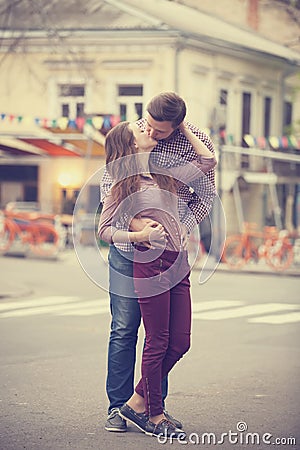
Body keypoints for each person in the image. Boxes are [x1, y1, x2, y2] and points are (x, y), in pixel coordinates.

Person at [100, 92, 217, 433]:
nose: (149, 132)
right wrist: (137, 230)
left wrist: (181, 225)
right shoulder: (129, 138)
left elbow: (206, 183)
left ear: (175, 125)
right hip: (133, 255)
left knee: (169, 338)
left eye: (158, 130)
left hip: (173, 256)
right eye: (146, 127)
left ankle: (143, 403)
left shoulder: (174, 158)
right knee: (126, 330)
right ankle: (127, 408)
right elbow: (110, 208)